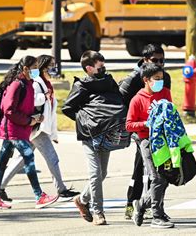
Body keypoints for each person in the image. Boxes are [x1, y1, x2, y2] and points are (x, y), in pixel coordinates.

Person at [0, 55, 79, 202]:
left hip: (37, 127)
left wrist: (53, 134)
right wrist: (44, 96)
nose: (54, 68)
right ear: (42, 68)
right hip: (36, 128)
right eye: (51, 66)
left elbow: (50, 111)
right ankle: (61, 189)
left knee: (21, 160)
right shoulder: (36, 83)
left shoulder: (45, 82)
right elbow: (31, 102)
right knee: (52, 158)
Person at [62, 51, 127, 225]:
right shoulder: (81, 85)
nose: (104, 69)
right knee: (95, 174)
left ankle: (81, 200)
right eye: (100, 67)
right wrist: (85, 121)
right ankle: (98, 212)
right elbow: (67, 108)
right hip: (89, 135)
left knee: (102, 173)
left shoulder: (108, 81)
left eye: (104, 66)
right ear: (89, 68)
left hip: (107, 131)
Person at [0, 56, 59, 209]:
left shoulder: (28, 83)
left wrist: (34, 117)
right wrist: (29, 121)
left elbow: (23, 107)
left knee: (2, 161)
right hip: (14, 129)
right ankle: (39, 195)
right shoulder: (16, 84)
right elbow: (8, 110)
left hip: (19, 128)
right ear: (25, 69)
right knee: (28, 158)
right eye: (33, 67)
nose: (36, 70)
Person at [119, 44, 171, 220]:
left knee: (159, 170)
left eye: (162, 60)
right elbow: (122, 101)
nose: (160, 64)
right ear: (145, 60)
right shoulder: (135, 78)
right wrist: (140, 121)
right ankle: (132, 204)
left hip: (158, 132)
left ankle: (154, 205)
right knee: (141, 168)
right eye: (155, 60)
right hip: (140, 131)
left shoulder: (164, 78)